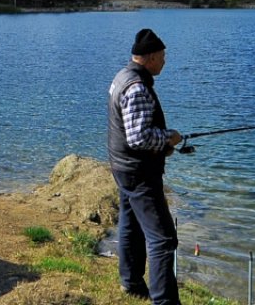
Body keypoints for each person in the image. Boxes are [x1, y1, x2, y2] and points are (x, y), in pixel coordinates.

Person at [107, 28, 182, 304]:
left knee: (131, 224)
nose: (164, 61)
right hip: (138, 173)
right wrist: (168, 139)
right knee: (163, 239)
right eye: (162, 56)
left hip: (123, 167)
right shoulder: (137, 86)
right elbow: (139, 138)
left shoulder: (121, 76)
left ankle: (131, 282)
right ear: (149, 57)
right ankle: (164, 301)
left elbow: (131, 133)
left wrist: (163, 146)